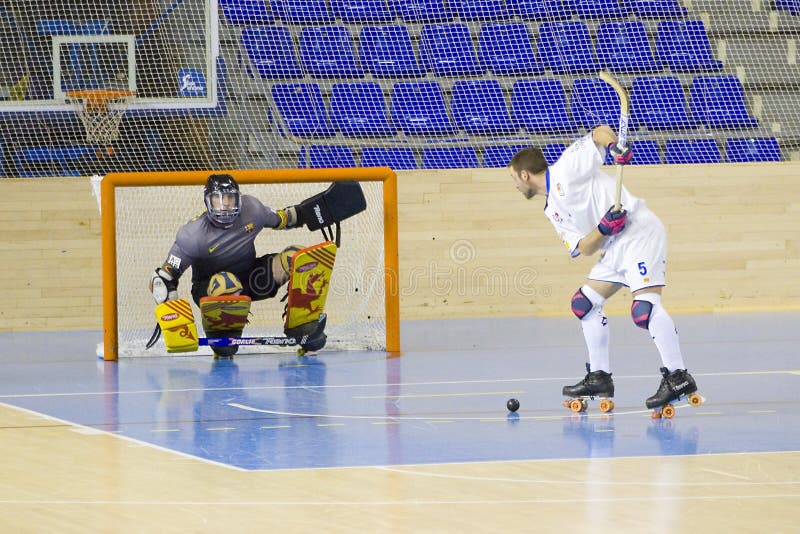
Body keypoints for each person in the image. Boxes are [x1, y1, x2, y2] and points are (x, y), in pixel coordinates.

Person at [507, 126, 698, 410]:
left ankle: (678, 376)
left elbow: (600, 132)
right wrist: (604, 228)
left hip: (638, 233)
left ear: (525, 175)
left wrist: (613, 148)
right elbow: (584, 247)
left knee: (643, 309)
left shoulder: (565, 169)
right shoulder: (552, 209)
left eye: (514, 179)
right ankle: (599, 377)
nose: (515, 185)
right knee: (584, 304)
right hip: (613, 245)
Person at [149, 174, 307, 355]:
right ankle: (224, 332)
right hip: (211, 290)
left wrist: (315, 212)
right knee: (227, 283)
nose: (224, 205)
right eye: (218, 199)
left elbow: (283, 218)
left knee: (298, 258)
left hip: (252, 279)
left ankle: (304, 325)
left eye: (230, 198)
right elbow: (163, 279)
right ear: (208, 202)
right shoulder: (193, 235)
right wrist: (176, 320)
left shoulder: (252, 209)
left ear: (238, 199)